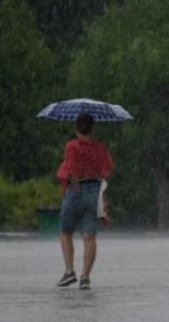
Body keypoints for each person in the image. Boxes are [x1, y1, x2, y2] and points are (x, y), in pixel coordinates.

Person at [55, 113, 114, 290]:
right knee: (89, 236)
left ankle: (69, 271)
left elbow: (72, 171)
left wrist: (75, 190)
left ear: (76, 127)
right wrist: (103, 201)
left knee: (65, 232)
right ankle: (85, 277)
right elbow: (105, 173)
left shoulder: (72, 146)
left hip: (76, 189)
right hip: (95, 191)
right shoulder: (100, 148)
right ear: (92, 128)